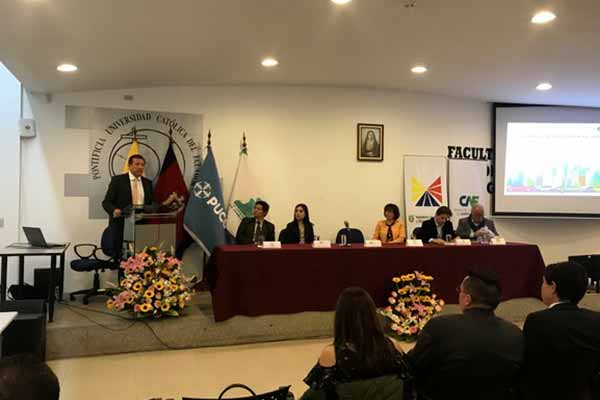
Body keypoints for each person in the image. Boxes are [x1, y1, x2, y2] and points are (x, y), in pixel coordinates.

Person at [407, 270, 523, 400]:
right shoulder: (514, 334)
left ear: (467, 299)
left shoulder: (439, 326)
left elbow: (415, 366)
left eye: (459, 290)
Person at [300, 287, 411, 400]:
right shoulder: (392, 346)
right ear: (372, 315)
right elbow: (408, 383)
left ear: (341, 317)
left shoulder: (332, 354)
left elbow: (316, 393)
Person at [521, 261, 600, 400]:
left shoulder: (537, 321)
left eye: (543, 283)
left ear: (553, 287)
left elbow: (529, 364)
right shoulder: (596, 320)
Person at [102, 154, 178, 256]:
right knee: (122, 257)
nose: (140, 167)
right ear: (129, 166)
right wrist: (114, 210)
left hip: (143, 226)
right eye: (137, 164)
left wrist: (165, 203)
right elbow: (106, 202)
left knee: (142, 256)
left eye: (142, 165)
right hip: (122, 226)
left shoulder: (147, 183)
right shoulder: (118, 180)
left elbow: (152, 205)